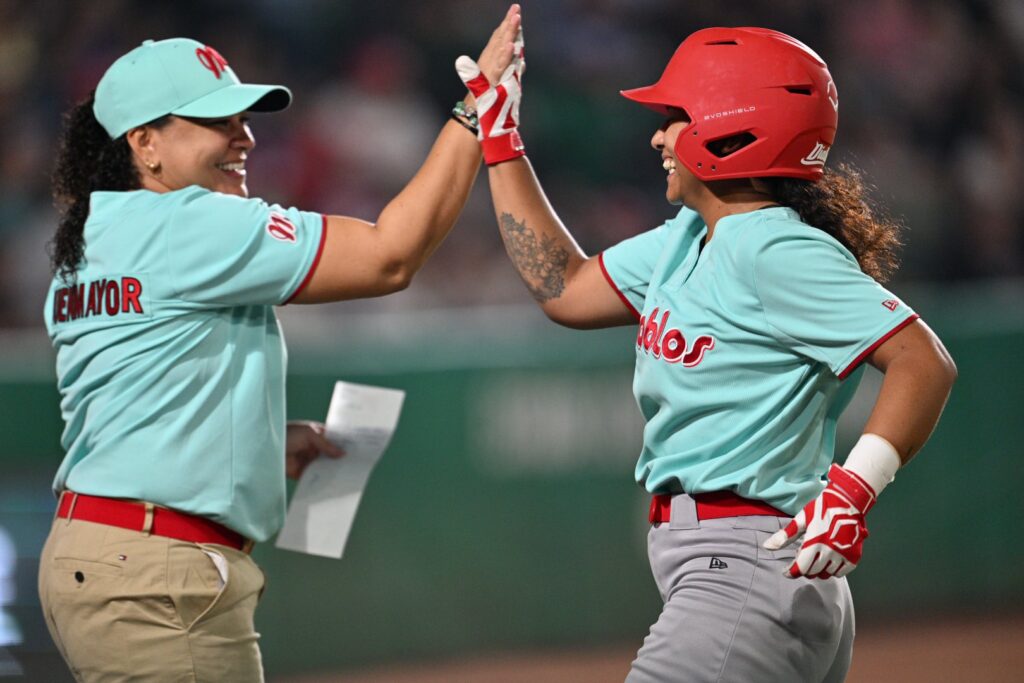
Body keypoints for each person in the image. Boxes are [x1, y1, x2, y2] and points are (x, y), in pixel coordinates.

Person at [458, 24, 957, 683]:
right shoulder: (692, 234)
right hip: (737, 572)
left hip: (745, 569)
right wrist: (500, 140)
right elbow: (565, 288)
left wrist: (853, 489)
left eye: (675, 117)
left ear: (732, 127)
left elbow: (924, 360)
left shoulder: (775, 245)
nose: (658, 136)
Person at [38, 6, 522, 681]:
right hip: (158, 571)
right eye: (216, 121)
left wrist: (255, 438)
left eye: (243, 119)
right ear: (144, 143)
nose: (245, 138)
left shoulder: (93, 238)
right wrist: (477, 113)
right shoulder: (188, 222)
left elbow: (140, 395)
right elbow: (391, 256)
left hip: (104, 554)